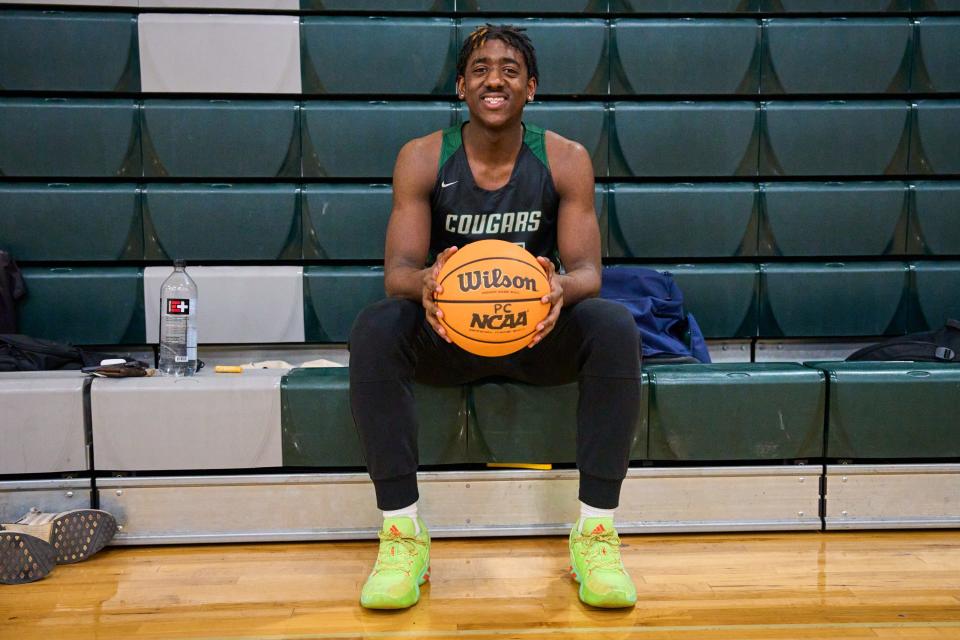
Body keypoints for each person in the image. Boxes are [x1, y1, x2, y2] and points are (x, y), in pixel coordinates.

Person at [349, 24, 641, 610]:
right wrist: (429, 281)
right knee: (376, 325)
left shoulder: (565, 159)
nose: (495, 78)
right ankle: (403, 532)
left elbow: (588, 272)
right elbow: (398, 272)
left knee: (612, 324)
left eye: (510, 69)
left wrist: (559, 286)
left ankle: (597, 531)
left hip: (536, 335)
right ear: (461, 86)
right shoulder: (423, 157)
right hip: (449, 336)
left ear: (530, 87)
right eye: (481, 68)